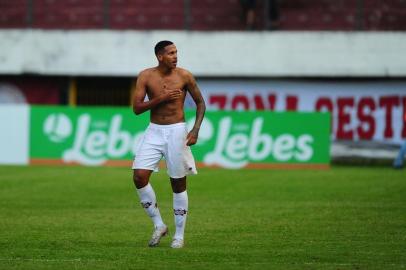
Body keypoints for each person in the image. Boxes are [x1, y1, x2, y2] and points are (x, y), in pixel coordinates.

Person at [131, 40, 206, 248]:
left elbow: (201, 103)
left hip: (177, 131)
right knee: (139, 176)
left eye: (176, 52)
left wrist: (195, 129)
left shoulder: (184, 75)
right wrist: (161, 98)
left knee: (178, 183)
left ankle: (179, 236)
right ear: (159, 56)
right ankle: (159, 224)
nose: (175, 56)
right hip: (154, 131)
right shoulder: (146, 76)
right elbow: (136, 108)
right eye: (171, 53)